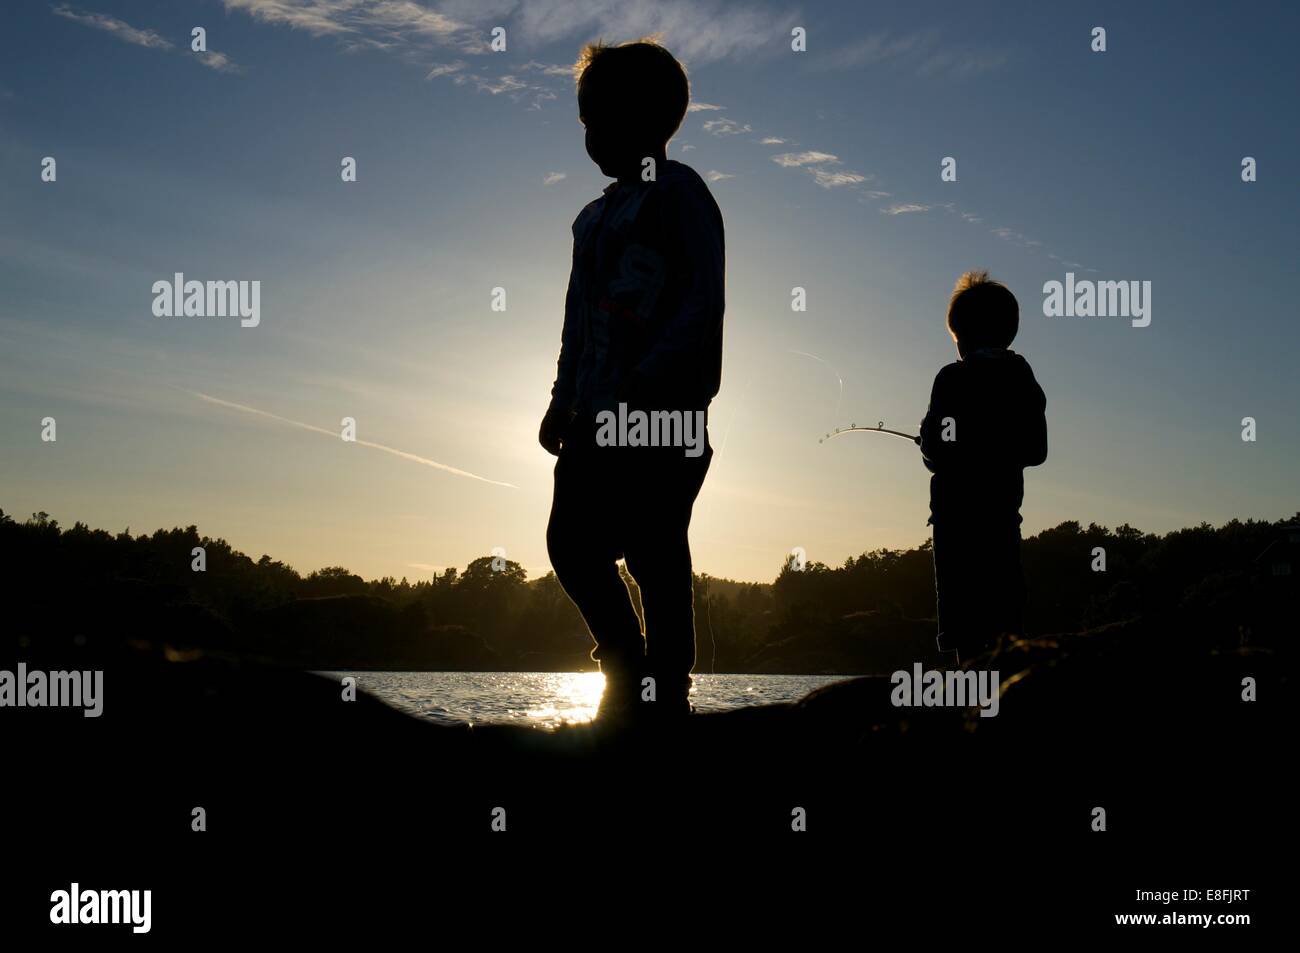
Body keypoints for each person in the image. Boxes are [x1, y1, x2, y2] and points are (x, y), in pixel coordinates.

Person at [538, 39, 725, 723]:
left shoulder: (680, 194)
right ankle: (622, 659)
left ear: (651, 122)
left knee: (654, 549)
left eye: (601, 120)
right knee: (570, 541)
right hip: (593, 416)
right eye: (586, 122)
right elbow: (575, 322)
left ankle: (666, 686)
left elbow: (703, 299)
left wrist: (651, 381)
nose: (591, 137)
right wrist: (562, 399)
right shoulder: (591, 221)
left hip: (664, 413)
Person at [919, 270, 1047, 664]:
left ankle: (970, 705)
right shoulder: (1021, 375)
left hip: (956, 522)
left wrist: (931, 444)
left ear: (962, 336)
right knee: (1006, 607)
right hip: (1003, 516)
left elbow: (935, 451)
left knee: (964, 622)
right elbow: (1037, 449)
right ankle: (1008, 695)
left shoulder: (951, 379)